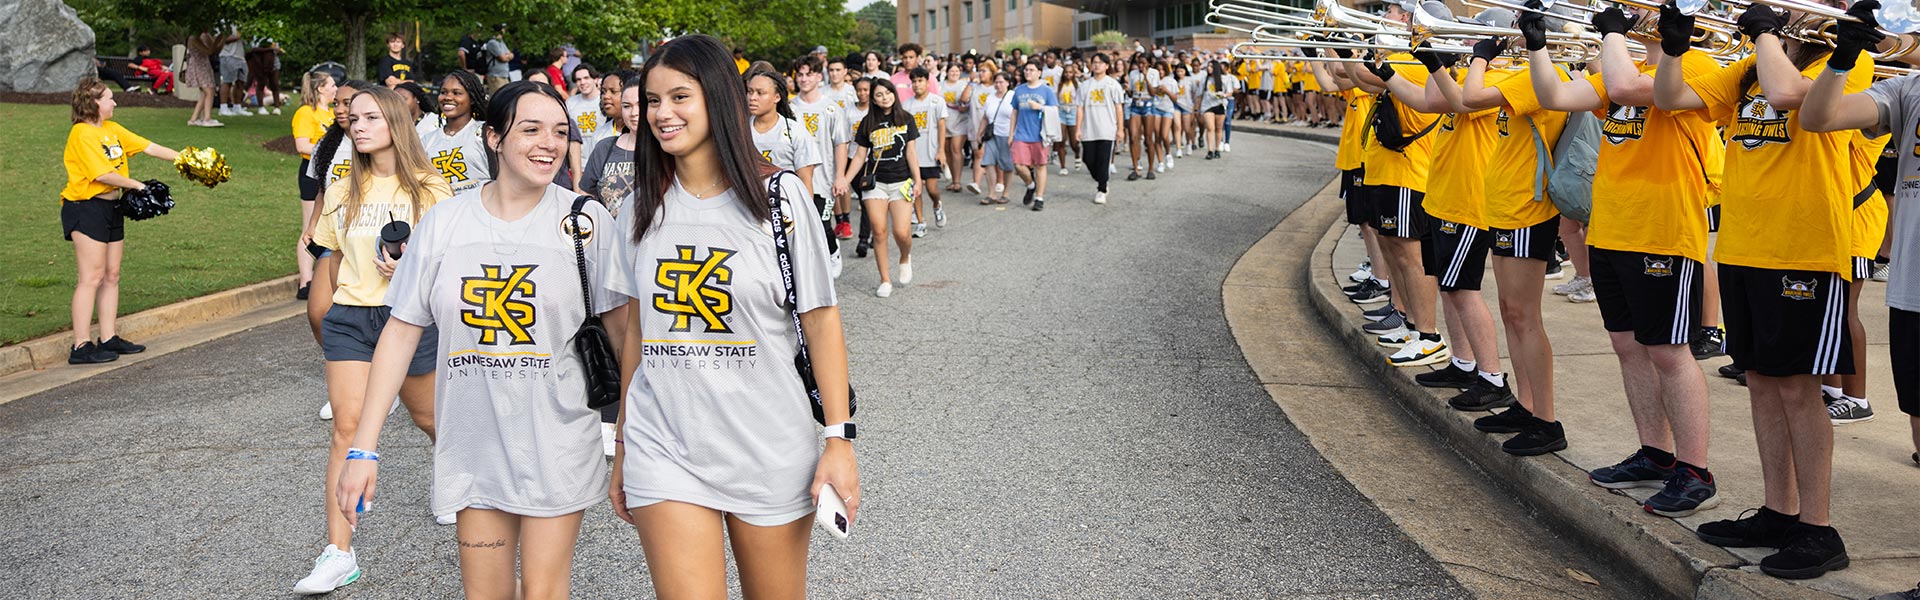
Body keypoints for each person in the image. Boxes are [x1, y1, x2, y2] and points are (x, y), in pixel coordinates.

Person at [335, 81, 621, 600]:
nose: (548, 144)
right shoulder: (445, 222)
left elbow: (628, 340)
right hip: (472, 445)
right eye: (530, 129)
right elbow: (400, 333)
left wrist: (629, 440)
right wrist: (364, 450)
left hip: (556, 442)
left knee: (541, 591)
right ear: (494, 138)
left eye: (560, 132)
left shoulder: (585, 222)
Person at [607, 35, 858, 598]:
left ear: (718, 97)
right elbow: (637, 334)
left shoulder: (780, 200)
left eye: (679, 97)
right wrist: (623, 443)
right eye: (651, 101)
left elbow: (820, 320)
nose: (661, 114)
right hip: (663, 444)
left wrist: (839, 440)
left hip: (768, 444)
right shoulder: (639, 208)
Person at [1659, 1, 1868, 580]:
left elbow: (1788, 97)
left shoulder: (1846, 59)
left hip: (1803, 249)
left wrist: (1770, 36)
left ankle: (1818, 529)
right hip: (1744, 248)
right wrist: (1674, 52)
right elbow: (1670, 99)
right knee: (1759, 382)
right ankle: (1780, 511)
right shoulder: (1751, 65)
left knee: (1800, 389)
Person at [1524, 4, 1724, 517]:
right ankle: (1656, 454)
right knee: (1628, 345)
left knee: (1668, 352)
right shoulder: (1620, 70)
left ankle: (1694, 470)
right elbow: (1556, 96)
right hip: (1613, 229)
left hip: (1662, 231)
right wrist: (1537, 46)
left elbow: (1638, 90)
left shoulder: (1696, 65)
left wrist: (1614, 34)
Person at [294, 86, 452, 595]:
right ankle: (339, 553)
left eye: (368, 117)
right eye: (352, 119)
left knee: (428, 417)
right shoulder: (343, 187)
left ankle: (458, 478)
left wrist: (411, 268)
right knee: (347, 428)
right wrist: (328, 307)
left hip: (407, 320)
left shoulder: (431, 188)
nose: (356, 126)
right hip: (351, 318)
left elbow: (448, 263)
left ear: (393, 122)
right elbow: (331, 255)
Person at [60, 78, 183, 364]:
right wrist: (136, 185)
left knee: (112, 274)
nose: (114, 103)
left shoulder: (111, 129)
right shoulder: (81, 134)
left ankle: (108, 337)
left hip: (112, 207)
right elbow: (101, 174)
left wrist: (188, 160)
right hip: (85, 207)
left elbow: (149, 147)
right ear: (94, 103)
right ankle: (80, 346)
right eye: (109, 98)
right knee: (91, 277)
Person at [838, 77, 923, 298]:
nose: (884, 97)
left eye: (887, 93)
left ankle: (905, 257)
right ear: (873, 99)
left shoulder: (906, 119)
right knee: (878, 230)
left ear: (894, 94)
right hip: (875, 183)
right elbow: (859, 155)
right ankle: (885, 279)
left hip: (901, 181)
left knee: (902, 232)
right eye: (879, 95)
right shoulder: (868, 123)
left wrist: (918, 180)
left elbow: (911, 152)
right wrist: (845, 180)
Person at [789, 56, 851, 264]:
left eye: (809, 74)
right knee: (799, 228)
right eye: (800, 75)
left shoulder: (831, 108)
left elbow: (840, 143)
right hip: (795, 179)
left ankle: (833, 252)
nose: (804, 79)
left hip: (822, 181)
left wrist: (840, 176)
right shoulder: (790, 108)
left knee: (822, 225)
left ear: (818, 76)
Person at [293, 71, 338, 302]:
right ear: (320, 88)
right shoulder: (305, 113)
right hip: (311, 173)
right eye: (331, 84)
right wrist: (330, 151)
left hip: (332, 174)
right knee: (310, 224)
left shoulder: (331, 113)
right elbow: (302, 144)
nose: (335, 88)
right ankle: (305, 280)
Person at [417, 70, 493, 196]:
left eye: (457, 93)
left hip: (483, 209)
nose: (448, 97)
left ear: (472, 99)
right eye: (443, 92)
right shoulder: (427, 140)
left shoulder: (485, 133)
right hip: (444, 211)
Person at [581, 75, 639, 216]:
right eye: (627, 106)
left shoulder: (666, 149)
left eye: (641, 105)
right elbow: (586, 195)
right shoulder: (604, 147)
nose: (634, 113)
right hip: (611, 235)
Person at [902, 68, 948, 230]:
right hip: (913, 154)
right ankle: (921, 221)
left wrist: (941, 150)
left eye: (920, 81)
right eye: (914, 81)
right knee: (916, 188)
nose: (916, 84)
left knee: (932, 188)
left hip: (931, 151)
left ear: (928, 83)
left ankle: (937, 205)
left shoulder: (936, 101)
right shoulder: (906, 105)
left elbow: (942, 126)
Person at [1078, 52, 1125, 206]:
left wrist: (1120, 129)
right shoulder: (1085, 85)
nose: (1096, 65)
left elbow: (1119, 107)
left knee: (1104, 160)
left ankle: (1102, 189)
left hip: (1107, 129)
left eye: (1100, 62)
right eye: (1094, 62)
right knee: (1088, 159)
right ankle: (1102, 179)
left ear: (1106, 65)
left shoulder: (1112, 84)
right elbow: (1080, 108)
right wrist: (1078, 128)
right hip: (1089, 129)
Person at [1009, 62, 1057, 212]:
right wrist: (1011, 134)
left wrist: (1040, 107)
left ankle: (1039, 198)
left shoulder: (1047, 91)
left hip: (1040, 134)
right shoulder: (1019, 90)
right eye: (1026, 70)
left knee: (1040, 165)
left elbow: (1055, 110)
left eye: (1031, 70)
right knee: (1018, 165)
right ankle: (1031, 185)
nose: (1028, 72)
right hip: (1021, 134)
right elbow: (1015, 112)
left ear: (1039, 73)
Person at [977, 72, 1017, 205]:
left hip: (1006, 134)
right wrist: (979, 133)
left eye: (1001, 82)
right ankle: (991, 193)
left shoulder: (1012, 96)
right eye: (996, 82)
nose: (998, 85)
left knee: (1007, 164)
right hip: (992, 134)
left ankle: (1006, 193)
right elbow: (985, 117)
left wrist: (1012, 135)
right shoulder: (990, 98)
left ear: (1007, 83)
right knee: (988, 162)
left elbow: (1015, 117)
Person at [1124, 54, 1160, 181]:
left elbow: (1153, 92)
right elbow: (1130, 94)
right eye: (1139, 63)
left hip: (1148, 104)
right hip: (1135, 104)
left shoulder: (1154, 73)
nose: (1141, 65)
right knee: (1133, 137)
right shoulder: (1133, 74)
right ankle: (1136, 169)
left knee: (1149, 138)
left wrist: (1146, 77)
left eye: (1144, 63)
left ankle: (1150, 168)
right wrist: (1127, 89)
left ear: (1149, 63)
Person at [941, 62, 975, 194]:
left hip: (960, 121)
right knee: (948, 150)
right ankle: (953, 180)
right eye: (951, 71)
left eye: (956, 71)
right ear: (947, 72)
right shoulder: (940, 86)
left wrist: (965, 106)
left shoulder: (963, 85)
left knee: (956, 149)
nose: (954, 74)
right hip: (945, 121)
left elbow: (968, 100)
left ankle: (957, 181)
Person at [183, 31, 221, 127]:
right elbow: (209, 51)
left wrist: (220, 39)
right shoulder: (194, 37)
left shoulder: (205, 35)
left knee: (206, 93)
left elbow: (215, 49)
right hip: (198, 66)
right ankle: (206, 119)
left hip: (204, 64)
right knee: (209, 91)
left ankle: (194, 119)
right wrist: (219, 39)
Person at [566, 65, 607, 151]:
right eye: (578, 80)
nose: (582, 82)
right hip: (578, 158)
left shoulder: (606, 100)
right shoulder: (570, 103)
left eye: (586, 78)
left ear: (595, 79)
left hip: (601, 154)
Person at [1054, 61, 1081, 175]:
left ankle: (1077, 154)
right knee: (1061, 139)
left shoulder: (1077, 85)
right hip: (1061, 111)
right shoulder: (1059, 85)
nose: (1068, 74)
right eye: (1066, 72)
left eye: (1070, 72)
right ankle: (1063, 166)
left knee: (1074, 141)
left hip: (1073, 111)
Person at [216, 24, 250, 117]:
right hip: (228, 55)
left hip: (240, 56)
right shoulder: (223, 23)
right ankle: (223, 107)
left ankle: (237, 106)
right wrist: (238, 37)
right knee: (228, 81)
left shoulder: (240, 24)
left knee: (240, 82)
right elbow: (222, 40)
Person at [246, 38, 285, 115]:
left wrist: (277, 50)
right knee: (261, 83)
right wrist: (269, 49)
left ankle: (277, 107)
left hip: (273, 61)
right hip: (260, 62)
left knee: (275, 84)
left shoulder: (274, 36)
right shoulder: (256, 36)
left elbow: (276, 49)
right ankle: (261, 107)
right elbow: (254, 49)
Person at [482, 25, 516, 92]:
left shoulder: (501, 42)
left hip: (504, 75)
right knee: (496, 96)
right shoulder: (492, 43)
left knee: (506, 95)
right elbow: (502, 58)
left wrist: (508, 56)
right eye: (503, 29)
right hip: (495, 76)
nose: (504, 31)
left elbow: (512, 54)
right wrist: (507, 56)